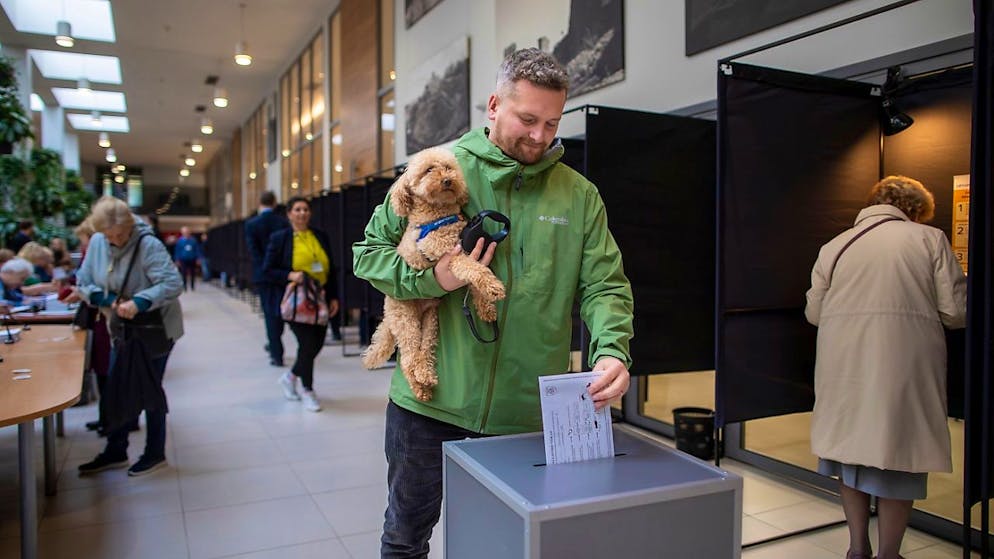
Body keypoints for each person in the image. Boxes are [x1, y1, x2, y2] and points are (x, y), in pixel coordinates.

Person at [353, 48, 634, 558]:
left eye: (552, 123)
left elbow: (604, 285)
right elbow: (367, 255)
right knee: (405, 538)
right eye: (527, 119)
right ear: (492, 106)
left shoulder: (579, 196)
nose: (540, 137)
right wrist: (433, 280)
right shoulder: (438, 169)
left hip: (525, 415)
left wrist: (613, 349)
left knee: (506, 544)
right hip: (429, 406)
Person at [805, 176, 967, 559]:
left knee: (849, 455)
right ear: (914, 210)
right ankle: (889, 554)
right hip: (902, 364)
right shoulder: (929, 240)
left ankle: (857, 548)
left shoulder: (835, 246)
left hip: (842, 364)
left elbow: (815, 313)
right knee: (899, 457)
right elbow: (956, 311)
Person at [75, 196, 184, 477]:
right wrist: (107, 298)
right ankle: (116, 450)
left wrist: (140, 301)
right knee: (117, 385)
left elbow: (173, 283)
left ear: (130, 226)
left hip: (154, 327)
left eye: (121, 235)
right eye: (109, 236)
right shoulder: (99, 242)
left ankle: (154, 452)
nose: (116, 241)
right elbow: (83, 281)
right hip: (122, 329)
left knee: (149, 387)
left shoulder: (148, 244)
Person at [263, 196, 339, 412]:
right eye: (297, 209)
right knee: (307, 345)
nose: (302, 213)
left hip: (320, 299)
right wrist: (290, 275)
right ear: (289, 213)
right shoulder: (280, 238)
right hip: (297, 302)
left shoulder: (320, 236)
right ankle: (308, 390)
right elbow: (267, 270)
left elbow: (330, 269)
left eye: (305, 209)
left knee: (317, 343)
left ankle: (290, 376)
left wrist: (334, 297)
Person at [245, 191, 291, 366]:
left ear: (259, 202)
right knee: (281, 310)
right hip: (282, 274)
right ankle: (274, 343)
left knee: (270, 313)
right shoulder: (282, 222)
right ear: (274, 202)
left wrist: (264, 268)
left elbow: (254, 251)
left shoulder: (251, 224)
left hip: (263, 276)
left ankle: (275, 351)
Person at [173, 226, 201, 291]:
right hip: (183, 259)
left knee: (192, 273)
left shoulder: (193, 240)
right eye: (185, 232)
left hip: (192, 258)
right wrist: (177, 259)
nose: (186, 233)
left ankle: (192, 286)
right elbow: (177, 250)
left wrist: (198, 258)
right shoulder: (180, 241)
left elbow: (197, 250)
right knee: (183, 273)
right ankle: (184, 286)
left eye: (187, 232)